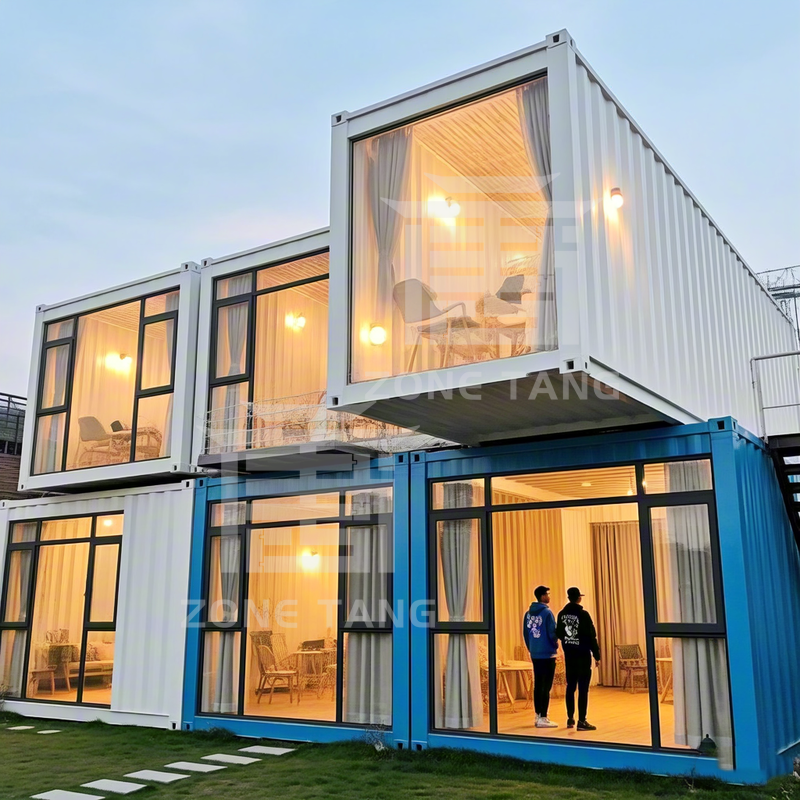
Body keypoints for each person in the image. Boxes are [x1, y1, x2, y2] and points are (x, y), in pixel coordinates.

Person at [556, 587, 601, 731]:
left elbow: (559, 633)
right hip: (583, 656)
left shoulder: (561, 614)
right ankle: (582, 720)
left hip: (570, 656)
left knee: (570, 687)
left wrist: (568, 643)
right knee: (583, 689)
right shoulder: (583, 614)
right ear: (579, 598)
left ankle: (570, 718)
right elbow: (591, 636)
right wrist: (597, 655)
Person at [522, 585, 558, 728]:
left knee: (538, 685)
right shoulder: (547, 613)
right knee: (546, 686)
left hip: (535, 653)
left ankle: (537, 715)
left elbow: (526, 633)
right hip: (547, 653)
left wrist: (531, 648)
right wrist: (555, 644)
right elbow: (552, 633)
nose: (549, 596)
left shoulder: (528, 614)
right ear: (542, 596)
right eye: (547, 594)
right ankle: (543, 716)